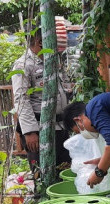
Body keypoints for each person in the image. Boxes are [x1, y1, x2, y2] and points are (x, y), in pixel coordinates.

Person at [11, 28, 70, 169]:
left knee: (65, 169)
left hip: (60, 127)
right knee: (43, 172)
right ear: (40, 43)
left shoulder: (53, 62)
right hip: (38, 129)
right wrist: (30, 132)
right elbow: (21, 99)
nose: (56, 50)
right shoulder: (24, 65)